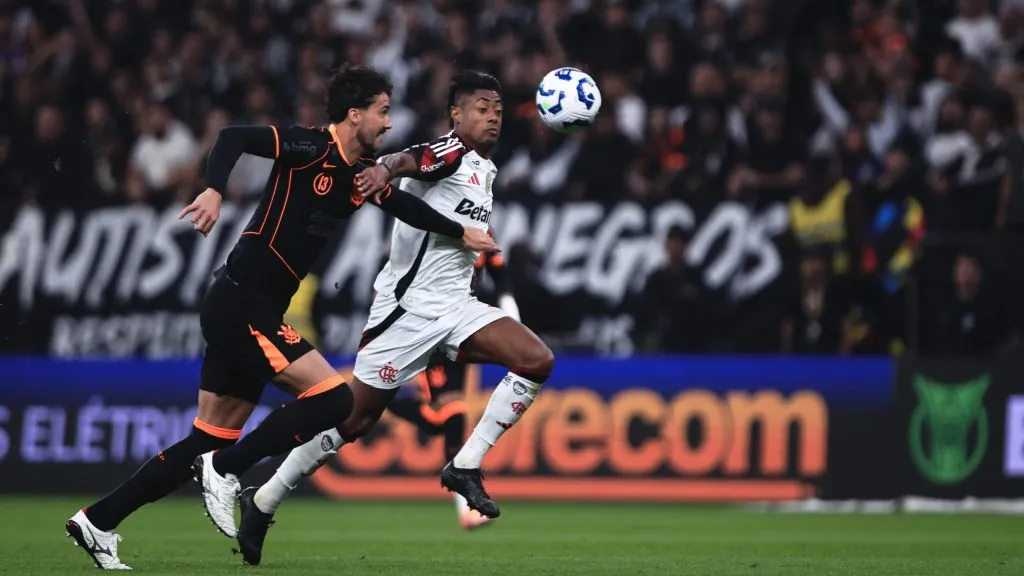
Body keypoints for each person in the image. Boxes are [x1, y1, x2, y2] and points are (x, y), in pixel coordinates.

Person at [64, 64, 496, 571]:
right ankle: (226, 472)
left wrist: (459, 232)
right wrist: (214, 189)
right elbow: (232, 137)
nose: (389, 122)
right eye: (382, 111)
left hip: (245, 306)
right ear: (354, 114)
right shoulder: (309, 147)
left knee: (204, 439)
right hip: (243, 303)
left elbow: (403, 205)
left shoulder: (362, 173)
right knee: (335, 398)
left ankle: (99, 520)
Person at [196, 71, 555, 565]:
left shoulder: (483, 169)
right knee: (351, 418)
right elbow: (410, 160)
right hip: (405, 315)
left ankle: (465, 466)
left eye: (497, 108)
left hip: (457, 308)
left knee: (536, 360)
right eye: (480, 107)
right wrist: (385, 169)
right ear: (456, 114)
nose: (492, 115)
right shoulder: (448, 150)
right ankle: (264, 499)